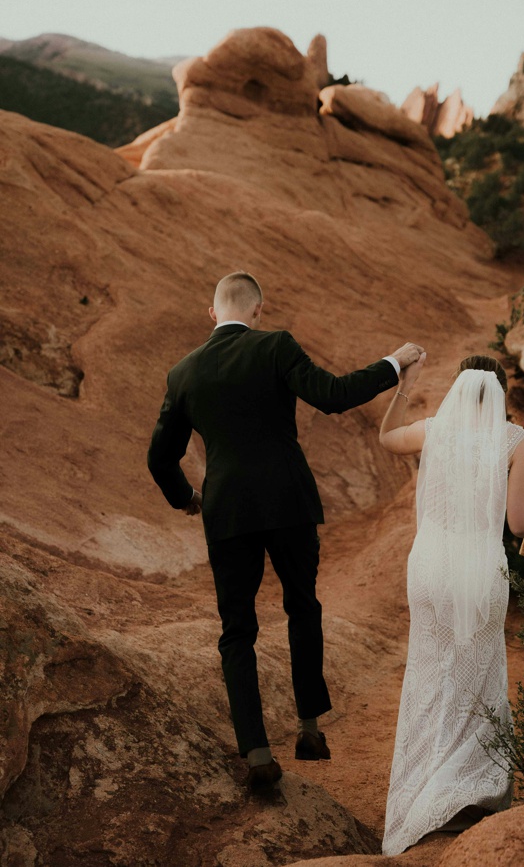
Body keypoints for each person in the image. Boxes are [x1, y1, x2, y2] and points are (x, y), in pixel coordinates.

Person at [147, 271, 422, 789]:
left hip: (226, 510)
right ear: (258, 309)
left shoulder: (182, 372)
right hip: (289, 501)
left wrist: (187, 500)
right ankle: (310, 728)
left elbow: (160, 457)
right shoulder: (275, 346)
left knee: (237, 630)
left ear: (212, 314)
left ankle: (256, 754)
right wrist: (394, 363)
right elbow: (334, 395)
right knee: (303, 605)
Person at [377, 353, 524, 855]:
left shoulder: (433, 430)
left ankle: (419, 793)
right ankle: (466, 794)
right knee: (479, 674)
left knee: (428, 675)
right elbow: (518, 523)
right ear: (499, 393)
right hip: (478, 569)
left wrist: (404, 386)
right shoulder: (514, 439)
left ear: (458, 389)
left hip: (429, 566)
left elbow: (387, 437)